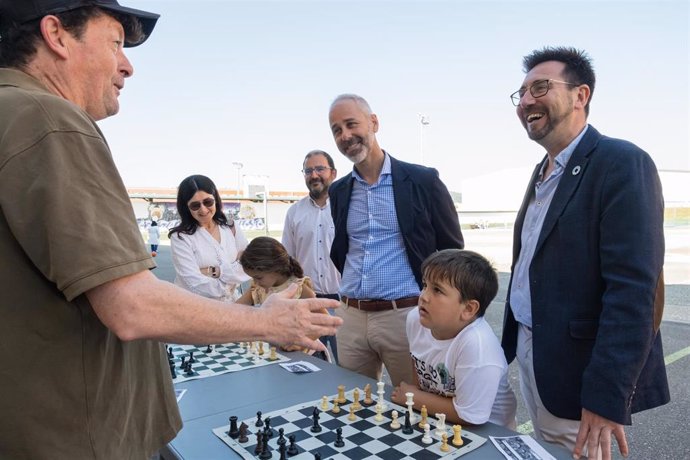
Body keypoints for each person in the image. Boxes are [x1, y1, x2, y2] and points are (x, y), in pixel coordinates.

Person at [0, 2, 341, 458]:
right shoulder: (50, 120)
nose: (128, 65)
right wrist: (265, 321)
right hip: (77, 436)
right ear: (57, 35)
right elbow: (132, 306)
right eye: (116, 42)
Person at [502, 46, 669, 459]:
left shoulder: (621, 162)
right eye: (520, 94)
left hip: (581, 371)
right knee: (544, 446)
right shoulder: (542, 172)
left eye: (540, 87)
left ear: (581, 95)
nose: (525, 101)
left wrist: (605, 395)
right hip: (536, 354)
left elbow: (633, 291)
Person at [328, 94, 464, 386]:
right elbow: (343, 250)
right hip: (350, 316)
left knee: (418, 406)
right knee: (356, 408)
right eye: (337, 130)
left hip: (405, 316)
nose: (345, 136)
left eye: (351, 124)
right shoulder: (339, 191)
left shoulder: (422, 180)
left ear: (374, 122)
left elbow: (453, 249)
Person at [391, 249, 517, 429]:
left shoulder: (477, 346)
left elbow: (471, 416)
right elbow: (418, 367)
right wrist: (417, 397)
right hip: (441, 419)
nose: (423, 296)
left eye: (437, 290)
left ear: (468, 309)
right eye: (425, 285)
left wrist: (414, 399)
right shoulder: (417, 320)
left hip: (489, 431)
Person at [282, 149, 340, 362]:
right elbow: (286, 260)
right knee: (308, 365)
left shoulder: (345, 207)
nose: (314, 175)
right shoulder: (295, 212)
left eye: (319, 169)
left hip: (344, 304)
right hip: (308, 303)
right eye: (308, 171)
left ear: (333, 173)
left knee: (349, 370)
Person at [236, 236, 330, 360]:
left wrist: (301, 342)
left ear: (275, 268)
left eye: (258, 277)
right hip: (279, 354)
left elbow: (325, 321)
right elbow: (235, 309)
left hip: (307, 355)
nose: (255, 282)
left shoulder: (298, 288)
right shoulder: (258, 288)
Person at [169, 174, 250, 302]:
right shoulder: (181, 238)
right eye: (195, 205)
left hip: (234, 306)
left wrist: (215, 271)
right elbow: (193, 283)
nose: (203, 209)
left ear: (216, 200)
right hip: (196, 310)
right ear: (186, 207)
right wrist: (230, 284)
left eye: (208, 202)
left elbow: (249, 266)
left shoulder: (231, 228)